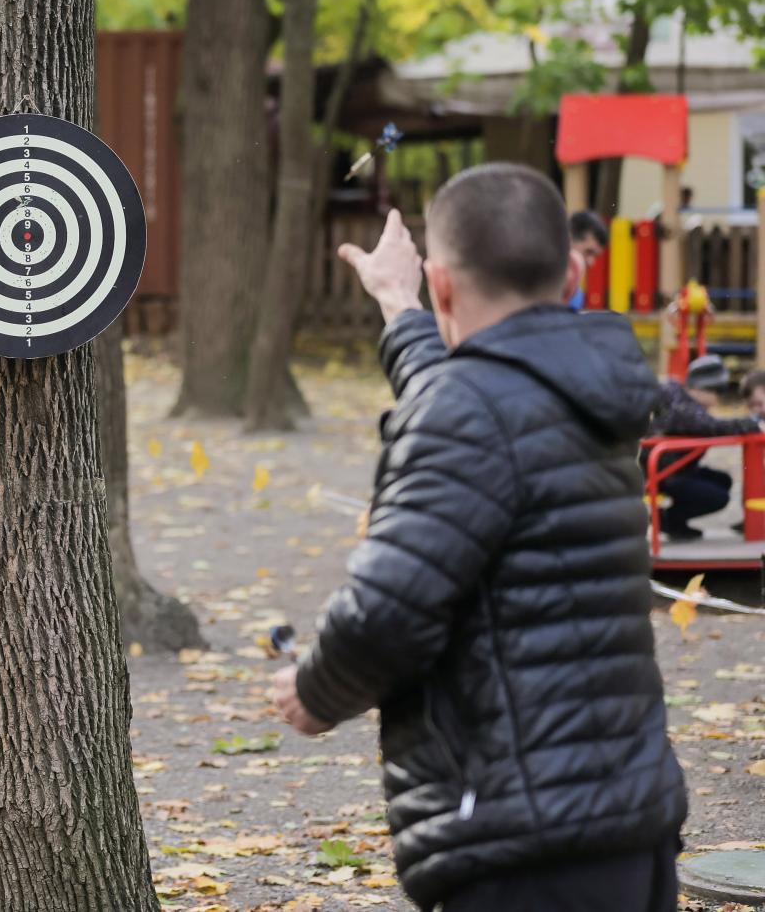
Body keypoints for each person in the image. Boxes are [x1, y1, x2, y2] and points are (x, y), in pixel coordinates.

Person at [272, 164, 686, 912]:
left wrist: (312, 692)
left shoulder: (469, 412)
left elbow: (386, 613)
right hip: (628, 828)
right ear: (570, 269)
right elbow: (478, 398)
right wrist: (398, 304)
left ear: (447, 286)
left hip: (523, 848)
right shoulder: (590, 385)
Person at [647, 354, 762, 540]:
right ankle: (667, 519)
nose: (718, 400)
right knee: (717, 497)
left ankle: (675, 521)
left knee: (723, 480)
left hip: (674, 468)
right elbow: (714, 426)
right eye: (717, 393)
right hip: (667, 472)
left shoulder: (677, 398)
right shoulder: (685, 410)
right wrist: (751, 424)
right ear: (704, 388)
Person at [566, 209, 608, 311]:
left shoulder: (576, 296)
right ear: (568, 239)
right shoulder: (538, 282)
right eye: (588, 252)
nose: (591, 262)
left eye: (595, 256)